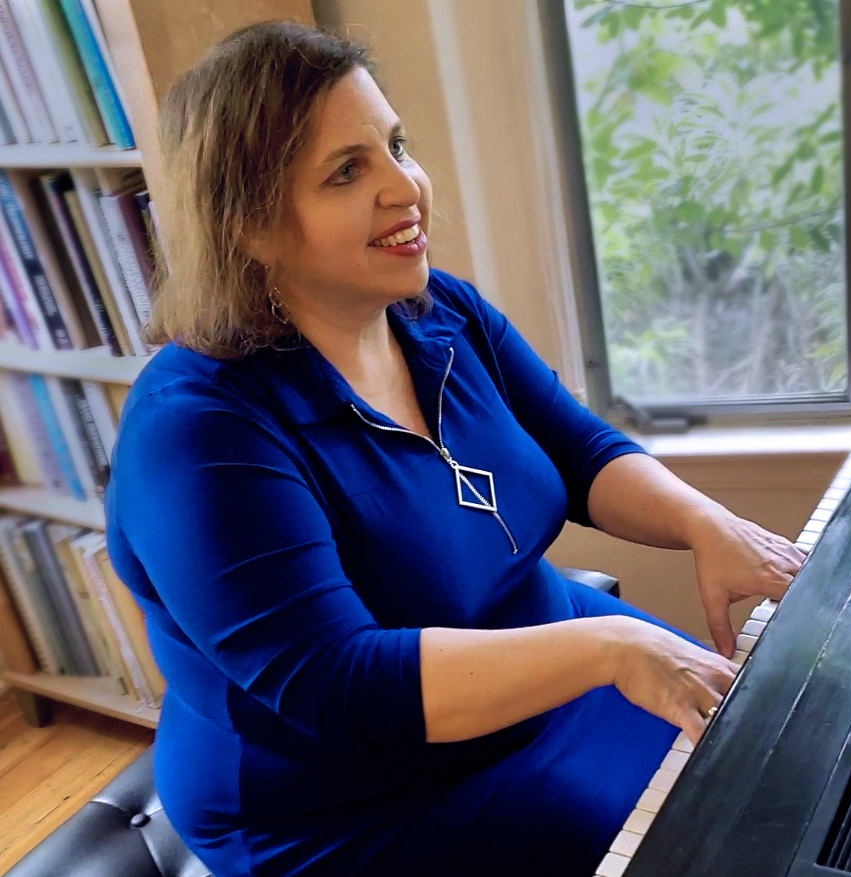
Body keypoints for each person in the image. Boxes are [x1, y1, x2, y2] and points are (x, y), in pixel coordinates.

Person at [104, 21, 804, 877]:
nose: (407, 187)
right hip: (352, 794)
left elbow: (579, 452)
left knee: (766, 765)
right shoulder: (198, 430)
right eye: (347, 171)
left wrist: (705, 523)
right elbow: (341, 684)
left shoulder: (441, 312)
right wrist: (611, 650)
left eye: (395, 145)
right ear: (249, 225)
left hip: (541, 654)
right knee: (716, 842)